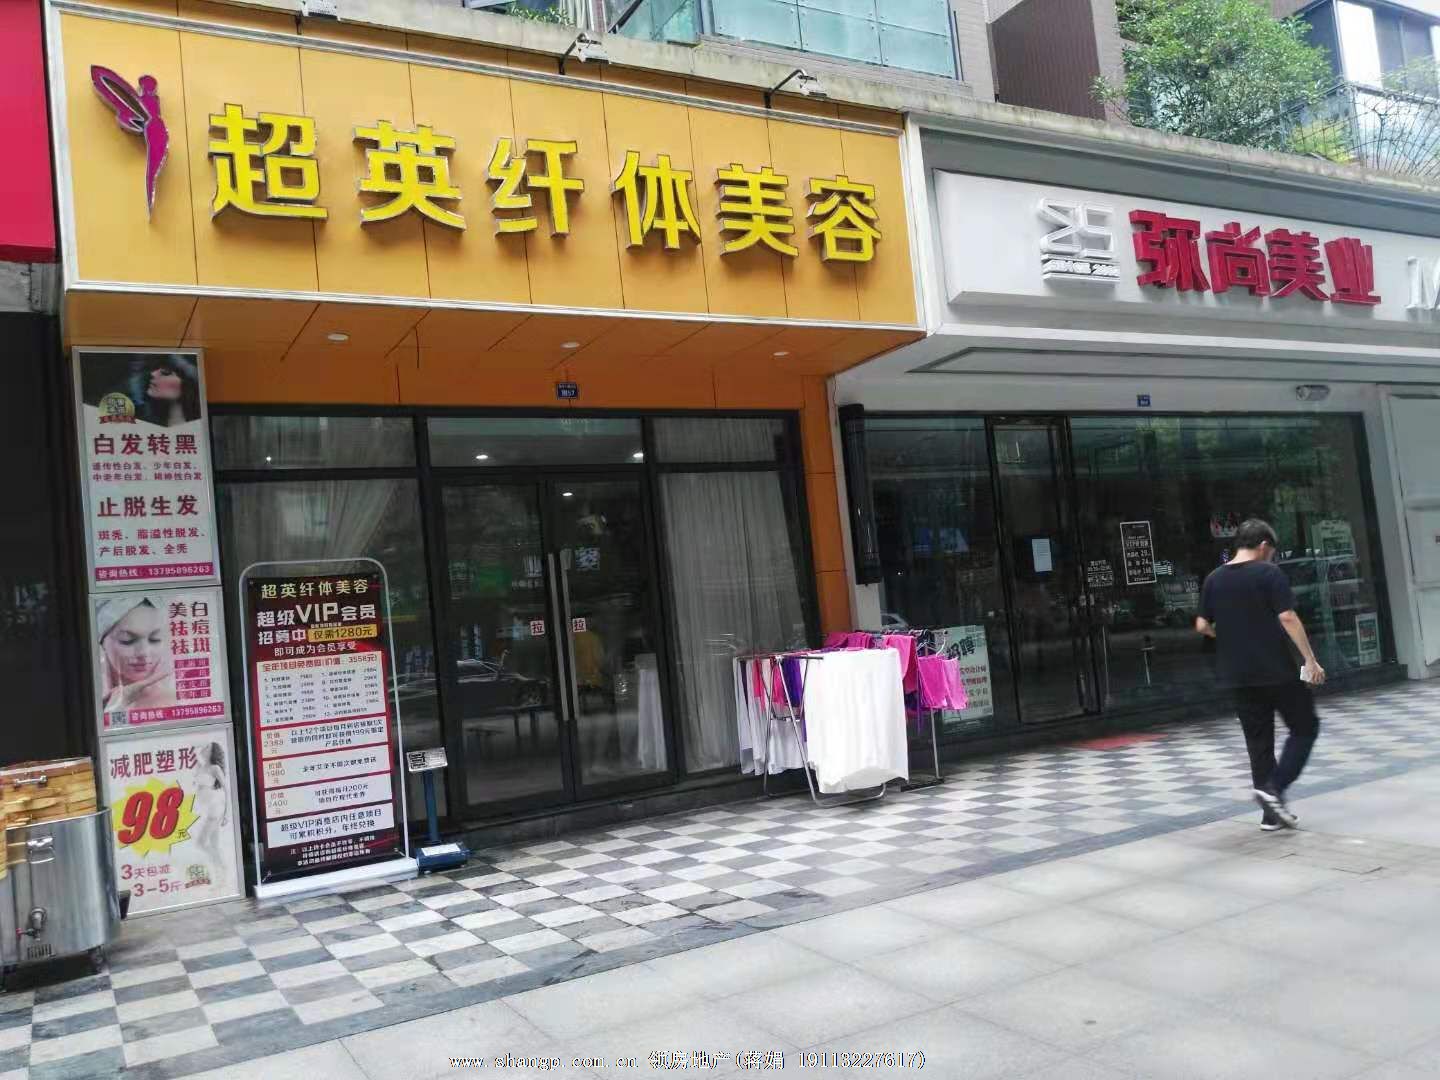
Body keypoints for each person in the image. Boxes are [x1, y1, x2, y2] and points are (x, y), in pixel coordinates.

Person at [1196, 519, 1324, 831]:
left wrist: (1230, 638)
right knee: (1305, 727)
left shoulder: (1214, 578)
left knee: (1259, 742)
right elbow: (1287, 616)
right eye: (1272, 551)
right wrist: (1310, 660)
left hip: (1238, 675)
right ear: (1264, 545)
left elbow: (1202, 625)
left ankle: (1271, 816)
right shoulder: (1269, 573)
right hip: (1276, 670)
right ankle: (1275, 788)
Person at [97, 595, 176, 714]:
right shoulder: (87, 694)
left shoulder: (173, 700)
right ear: (102, 643)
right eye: (127, 640)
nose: (144, 652)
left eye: (155, 639)